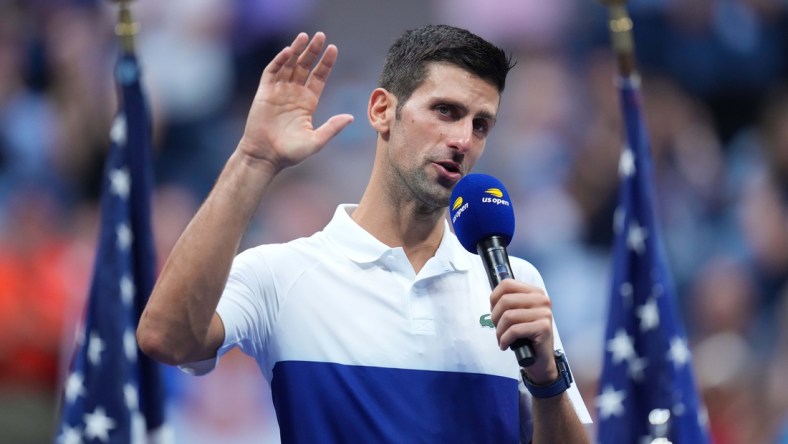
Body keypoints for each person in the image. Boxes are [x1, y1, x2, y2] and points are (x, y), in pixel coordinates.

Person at [137, 25, 592, 443]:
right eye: (445, 111)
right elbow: (166, 338)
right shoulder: (280, 275)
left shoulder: (514, 282)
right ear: (381, 111)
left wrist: (547, 380)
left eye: (480, 125)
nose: (462, 139)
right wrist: (254, 159)